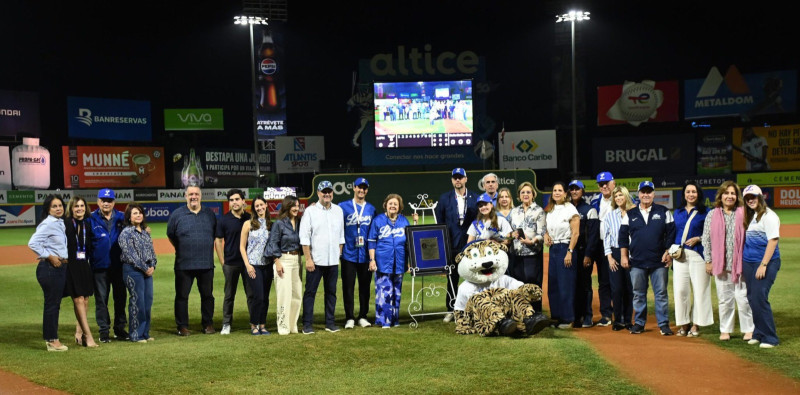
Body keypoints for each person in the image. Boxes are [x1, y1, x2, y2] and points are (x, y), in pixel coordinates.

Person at [619, 181, 676, 335]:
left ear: (653, 194)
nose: (646, 195)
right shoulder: (630, 214)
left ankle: (663, 324)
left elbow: (671, 234)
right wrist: (624, 256)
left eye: (649, 192)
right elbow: (623, 237)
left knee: (661, 294)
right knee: (638, 294)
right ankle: (639, 323)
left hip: (659, 261)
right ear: (638, 194)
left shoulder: (664, 211)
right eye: (643, 192)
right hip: (636, 261)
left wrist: (668, 251)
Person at [701, 181, 754, 341]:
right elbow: (706, 239)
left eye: (732, 193)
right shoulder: (712, 214)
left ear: (737, 196)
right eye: (726, 193)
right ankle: (725, 330)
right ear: (721, 195)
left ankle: (748, 329)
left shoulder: (744, 212)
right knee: (725, 300)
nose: (729, 196)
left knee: (743, 299)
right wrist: (708, 261)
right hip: (721, 264)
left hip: (740, 264)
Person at [167, 185, 218, 336]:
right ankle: (182, 326)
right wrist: (182, 247)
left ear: (201, 196)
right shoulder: (177, 214)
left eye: (196, 194)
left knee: (207, 296)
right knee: (182, 296)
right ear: (186, 196)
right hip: (184, 264)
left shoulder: (209, 214)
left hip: (206, 263)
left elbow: (214, 234)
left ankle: (208, 324)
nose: (193, 196)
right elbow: (170, 234)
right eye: (190, 194)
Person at [299, 180, 345, 334]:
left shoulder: (338, 210)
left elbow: (341, 236)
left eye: (329, 191)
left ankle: (330, 323)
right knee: (310, 293)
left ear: (332, 193)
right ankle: (307, 324)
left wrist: (338, 253)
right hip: (315, 261)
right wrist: (308, 259)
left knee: (331, 293)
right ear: (318, 193)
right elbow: (304, 238)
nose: (327, 194)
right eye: (323, 191)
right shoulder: (310, 211)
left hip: (332, 261)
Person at [435, 168, 478, 323]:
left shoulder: (475, 197)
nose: (458, 180)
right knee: (451, 278)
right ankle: (451, 309)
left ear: (466, 179)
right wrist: (442, 244)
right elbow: (439, 223)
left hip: (470, 244)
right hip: (451, 244)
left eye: (460, 178)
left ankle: (473, 308)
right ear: (452, 180)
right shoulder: (444, 198)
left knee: (474, 277)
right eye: (455, 178)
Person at [741, 185, 781, 348]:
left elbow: (773, 240)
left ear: (760, 197)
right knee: (752, 298)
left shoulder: (769, 216)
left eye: (754, 196)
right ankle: (759, 332)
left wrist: (763, 264)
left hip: (765, 262)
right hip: (748, 262)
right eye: (747, 198)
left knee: (759, 297)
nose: (751, 200)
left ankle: (770, 337)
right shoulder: (750, 216)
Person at [672, 181, 712, 337]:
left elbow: (712, 234)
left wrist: (699, 238)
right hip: (680, 255)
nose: (691, 194)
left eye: (694, 192)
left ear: (698, 194)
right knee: (680, 290)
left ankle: (696, 324)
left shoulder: (706, 212)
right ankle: (684, 323)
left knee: (700, 290)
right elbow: (672, 232)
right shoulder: (678, 212)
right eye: (688, 191)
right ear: (684, 194)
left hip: (698, 255)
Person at [29, 195, 69, 351]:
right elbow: (32, 243)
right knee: (52, 304)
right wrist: (49, 256)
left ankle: (52, 337)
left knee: (54, 303)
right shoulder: (48, 224)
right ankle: (52, 340)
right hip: (50, 268)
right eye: (54, 206)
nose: (58, 208)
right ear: (48, 209)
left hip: (59, 268)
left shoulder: (60, 222)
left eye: (60, 205)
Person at [88, 188, 128, 342]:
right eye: (103, 200)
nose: (106, 203)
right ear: (98, 201)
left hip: (119, 266)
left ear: (114, 202)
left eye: (109, 200)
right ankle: (104, 331)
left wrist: (145, 229)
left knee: (120, 298)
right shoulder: (91, 218)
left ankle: (119, 329)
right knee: (101, 300)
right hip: (99, 267)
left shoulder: (122, 218)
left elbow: (137, 226)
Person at [368, 194, 412, 328]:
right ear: (386, 205)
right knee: (384, 292)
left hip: (399, 262)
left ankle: (394, 319)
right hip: (382, 262)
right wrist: (372, 259)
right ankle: (383, 320)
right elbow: (371, 241)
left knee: (396, 292)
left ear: (399, 207)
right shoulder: (378, 220)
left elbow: (410, 242)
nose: (393, 206)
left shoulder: (404, 221)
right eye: (390, 203)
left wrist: (409, 263)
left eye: (395, 204)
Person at [340, 177, 376, 329]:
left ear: (367, 190)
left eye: (364, 188)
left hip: (366, 255)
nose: (361, 190)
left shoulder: (371, 209)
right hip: (348, 253)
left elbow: (374, 232)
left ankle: (362, 316)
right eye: (359, 187)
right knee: (348, 286)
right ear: (353, 188)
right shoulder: (343, 206)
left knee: (365, 286)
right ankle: (349, 317)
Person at [543, 181, 580, 329]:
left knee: (566, 285)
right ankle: (556, 317)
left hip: (565, 247)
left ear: (565, 193)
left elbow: (576, 233)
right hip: (553, 249)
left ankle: (568, 318)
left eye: (560, 190)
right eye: (554, 190)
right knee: (553, 285)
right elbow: (546, 229)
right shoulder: (550, 209)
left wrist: (569, 251)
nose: (557, 192)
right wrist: (546, 235)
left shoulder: (570, 209)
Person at [214, 189, 251, 335]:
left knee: (251, 295)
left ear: (243, 201)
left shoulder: (250, 218)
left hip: (248, 263)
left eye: (237, 199)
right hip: (230, 263)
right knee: (229, 295)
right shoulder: (223, 219)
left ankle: (254, 322)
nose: (234, 202)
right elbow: (218, 240)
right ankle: (226, 324)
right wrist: (223, 262)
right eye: (231, 200)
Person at [118, 203, 157, 343]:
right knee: (137, 302)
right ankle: (135, 334)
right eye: (135, 213)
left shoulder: (146, 232)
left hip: (147, 271)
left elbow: (152, 251)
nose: (138, 215)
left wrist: (153, 265)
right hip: (132, 271)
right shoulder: (126, 233)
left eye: (140, 212)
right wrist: (144, 267)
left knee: (147, 302)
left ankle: (145, 333)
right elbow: (130, 254)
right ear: (129, 217)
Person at [64, 196, 98, 348]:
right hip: (71, 265)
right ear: (71, 209)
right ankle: (88, 336)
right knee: (78, 299)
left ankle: (79, 332)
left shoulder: (87, 224)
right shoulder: (66, 224)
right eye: (76, 206)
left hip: (84, 264)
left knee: (85, 300)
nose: (79, 209)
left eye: (82, 206)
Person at [267, 196, 303, 335]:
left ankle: (293, 325)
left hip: (297, 260)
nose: (296, 208)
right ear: (287, 206)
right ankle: (283, 326)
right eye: (293, 205)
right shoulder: (279, 223)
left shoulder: (300, 222)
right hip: (283, 259)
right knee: (284, 295)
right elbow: (273, 243)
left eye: (298, 206)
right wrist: (277, 261)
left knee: (297, 295)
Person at [601, 186, 635, 331]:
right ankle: (617, 320)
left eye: (621, 195)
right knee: (616, 288)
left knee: (630, 288)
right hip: (614, 253)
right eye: (616, 196)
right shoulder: (610, 215)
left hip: (632, 253)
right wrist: (609, 257)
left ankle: (628, 320)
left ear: (626, 196)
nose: (618, 198)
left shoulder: (634, 214)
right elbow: (606, 238)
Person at [508, 181, 546, 313]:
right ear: (519, 195)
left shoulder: (539, 211)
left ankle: (536, 313)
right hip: (516, 254)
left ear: (533, 194)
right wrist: (512, 234)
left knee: (532, 285)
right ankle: (521, 313)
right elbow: (510, 231)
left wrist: (533, 241)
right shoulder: (514, 211)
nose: (525, 194)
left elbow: (542, 232)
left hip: (532, 254)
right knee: (519, 284)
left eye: (528, 192)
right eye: (522, 192)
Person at [239, 196, 273, 336]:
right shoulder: (248, 224)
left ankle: (263, 325)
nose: (259, 208)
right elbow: (242, 246)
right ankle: (254, 324)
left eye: (261, 205)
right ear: (254, 208)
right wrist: (247, 265)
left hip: (267, 265)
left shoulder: (271, 224)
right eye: (256, 206)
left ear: (266, 205)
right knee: (257, 296)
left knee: (265, 297)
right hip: (253, 266)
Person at [568, 180, 599, 328]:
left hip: (583, 253)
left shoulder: (589, 210)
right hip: (570, 253)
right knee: (572, 285)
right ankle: (576, 316)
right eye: (572, 189)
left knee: (585, 285)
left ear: (582, 191)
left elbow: (593, 235)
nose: (574, 191)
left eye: (577, 189)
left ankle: (587, 316)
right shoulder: (566, 209)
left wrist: (589, 255)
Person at [588, 172, 615, 326]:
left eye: (606, 183)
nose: (604, 186)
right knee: (603, 281)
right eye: (601, 184)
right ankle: (606, 315)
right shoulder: (595, 201)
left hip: (615, 245)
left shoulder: (619, 200)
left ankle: (621, 313)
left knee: (617, 281)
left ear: (613, 183)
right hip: (599, 244)